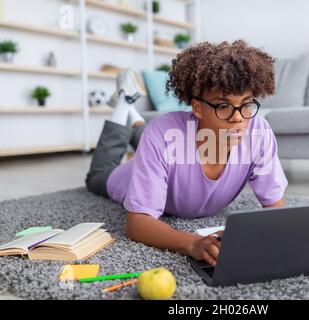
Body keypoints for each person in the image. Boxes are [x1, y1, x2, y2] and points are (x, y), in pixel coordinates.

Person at [85, 40, 288, 266]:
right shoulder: (162, 134)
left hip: (166, 145)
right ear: (197, 107)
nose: (238, 118)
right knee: (96, 176)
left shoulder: (258, 132)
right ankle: (124, 105)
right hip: (127, 176)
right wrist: (192, 243)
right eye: (223, 106)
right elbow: (137, 223)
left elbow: (275, 207)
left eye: (246, 104)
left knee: (155, 137)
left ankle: (133, 117)